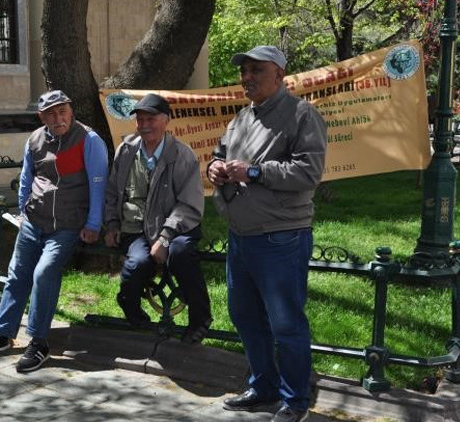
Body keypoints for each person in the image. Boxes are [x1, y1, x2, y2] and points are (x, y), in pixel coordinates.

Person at [206, 46, 327, 422]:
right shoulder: (242, 117)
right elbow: (219, 152)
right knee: (245, 317)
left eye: (256, 70)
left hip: (280, 237)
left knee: (286, 324)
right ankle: (264, 386)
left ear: (279, 75)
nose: (247, 77)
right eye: (244, 71)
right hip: (241, 235)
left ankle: (295, 401)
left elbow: (308, 172)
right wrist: (214, 168)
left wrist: (255, 172)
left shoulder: (302, 114)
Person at [0, 90, 108, 373]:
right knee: (17, 274)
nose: (58, 118)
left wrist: (94, 224)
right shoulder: (35, 139)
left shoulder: (89, 140)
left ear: (71, 111)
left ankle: (39, 342)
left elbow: (98, 185)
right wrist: (23, 211)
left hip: (67, 225)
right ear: (42, 117)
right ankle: (1, 334)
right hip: (33, 221)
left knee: (43, 273)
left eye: (62, 111)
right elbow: (26, 178)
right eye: (51, 114)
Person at [104, 93, 212, 344]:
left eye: (150, 119)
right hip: (136, 228)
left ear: (166, 120)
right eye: (140, 119)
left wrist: (164, 238)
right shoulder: (126, 150)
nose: (144, 125)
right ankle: (130, 307)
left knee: (181, 254)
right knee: (137, 264)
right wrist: (111, 223)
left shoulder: (182, 155)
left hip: (176, 228)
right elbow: (112, 192)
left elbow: (189, 205)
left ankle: (200, 318)